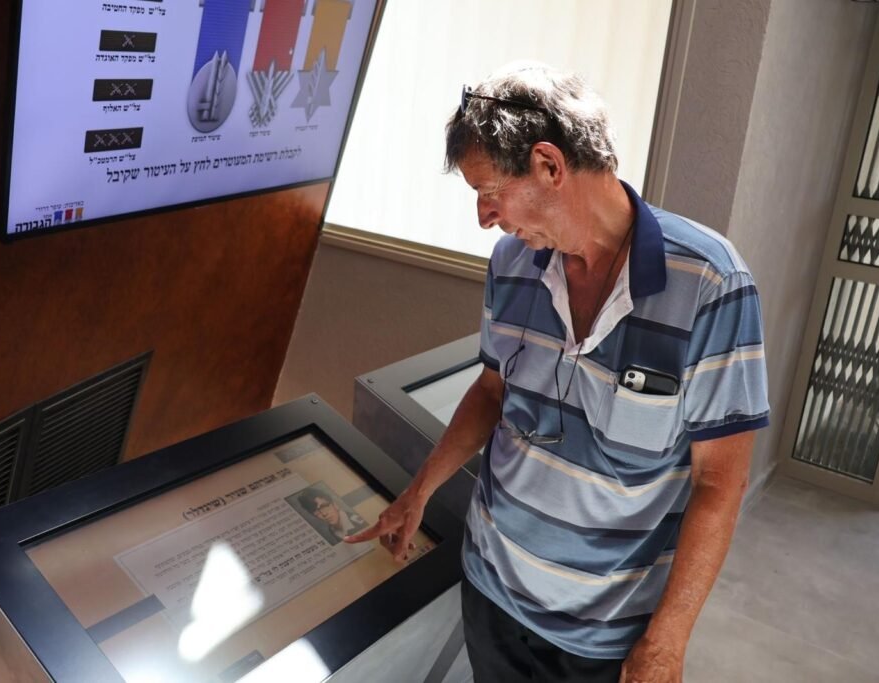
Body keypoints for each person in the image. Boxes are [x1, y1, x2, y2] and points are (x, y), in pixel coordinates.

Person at [346, 62, 769, 683]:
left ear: (548, 164)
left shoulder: (711, 284)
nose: (484, 217)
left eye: (489, 191)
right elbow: (492, 391)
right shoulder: (511, 264)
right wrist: (420, 490)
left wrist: (667, 640)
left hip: (605, 635)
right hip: (492, 592)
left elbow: (719, 482)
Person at [297, 487, 368, 543]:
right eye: (316, 511)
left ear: (335, 504)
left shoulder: (359, 521)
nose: (324, 514)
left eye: (324, 506)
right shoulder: (332, 530)